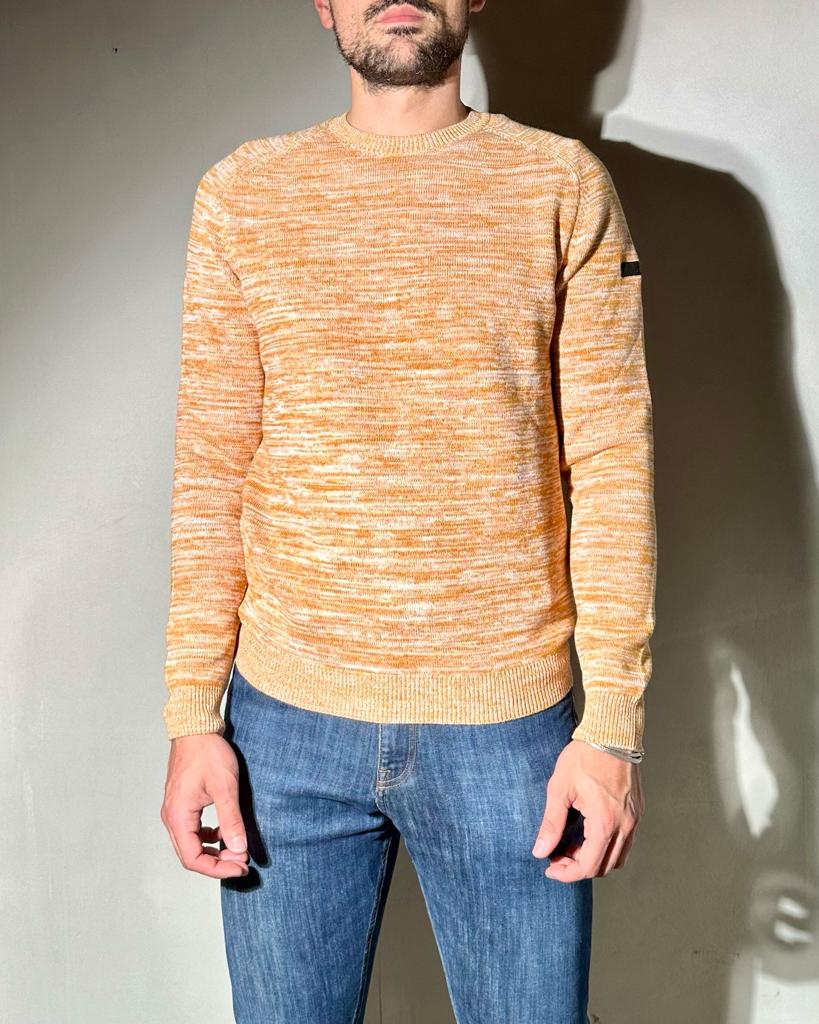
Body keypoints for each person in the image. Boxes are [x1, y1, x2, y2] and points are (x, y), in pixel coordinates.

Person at [159, 1, 656, 1021]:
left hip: (509, 730)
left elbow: (611, 461)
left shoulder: (560, 185)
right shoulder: (245, 193)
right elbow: (212, 466)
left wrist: (611, 725)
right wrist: (191, 717)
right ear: (322, 3)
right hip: (283, 727)